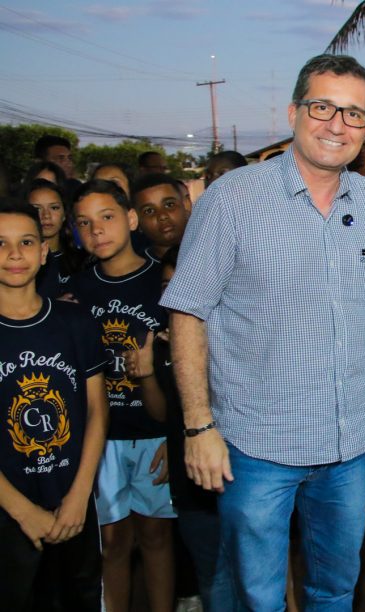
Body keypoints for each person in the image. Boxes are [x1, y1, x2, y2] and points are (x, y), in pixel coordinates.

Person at [160, 54, 365, 610]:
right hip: (257, 448)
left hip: (349, 446)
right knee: (256, 597)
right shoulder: (233, 199)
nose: (337, 124)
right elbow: (188, 311)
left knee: (335, 589)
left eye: (354, 113)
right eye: (323, 107)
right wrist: (198, 426)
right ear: (294, 112)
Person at [69, 180, 174, 612]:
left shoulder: (163, 281)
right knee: (111, 543)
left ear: (131, 219)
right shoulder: (76, 290)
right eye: (84, 223)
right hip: (102, 438)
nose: (96, 230)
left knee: (156, 537)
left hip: (155, 432)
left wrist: (178, 435)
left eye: (107, 217)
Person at [0, 199, 108, 611]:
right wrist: (22, 511)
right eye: (1, 243)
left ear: (44, 251)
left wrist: (80, 495)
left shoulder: (74, 322)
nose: (14, 254)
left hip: (72, 502)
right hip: (9, 509)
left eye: (26, 242)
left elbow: (97, 411)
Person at [125, 246, 235, 611]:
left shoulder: (236, 334)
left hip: (243, 473)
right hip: (193, 484)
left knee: (256, 574)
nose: (177, 294)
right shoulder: (159, 344)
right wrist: (146, 374)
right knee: (214, 577)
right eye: (167, 286)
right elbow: (161, 414)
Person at [25, 179, 86, 298]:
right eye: (37, 209)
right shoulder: (19, 260)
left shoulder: (82, 259)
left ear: (64, 214)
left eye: (54, 208)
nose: (46, 215)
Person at [131, 174, 190, 262]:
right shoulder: (137, 266)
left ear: (185, 206)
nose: (162, 216)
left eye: (169, 205)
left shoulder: (208, 252)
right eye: (149, 211)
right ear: (136, 220)